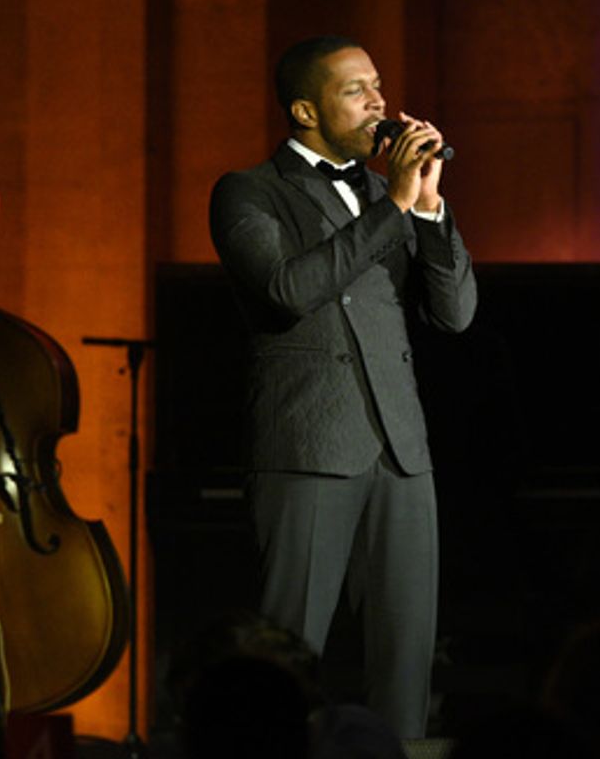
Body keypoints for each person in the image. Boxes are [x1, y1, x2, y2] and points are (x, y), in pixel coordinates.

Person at [209, 36, 477, 738]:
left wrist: (428, 209)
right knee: (286, 657)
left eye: (379, 87)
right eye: (355, 91)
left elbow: (455, 314)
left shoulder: (385, 195)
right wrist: (391, 205)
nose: (378, 104)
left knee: (406, 662)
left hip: (401, 452)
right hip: (307, 444)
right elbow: (287, 289)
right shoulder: (248, 191)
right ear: (305, 109)